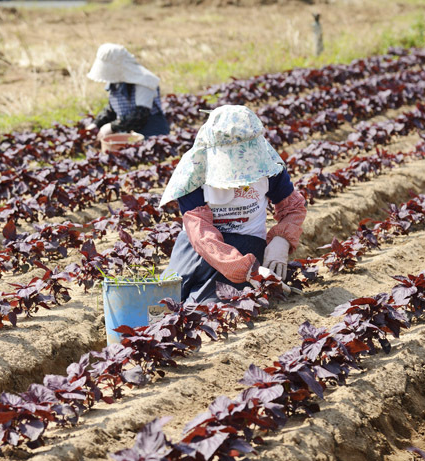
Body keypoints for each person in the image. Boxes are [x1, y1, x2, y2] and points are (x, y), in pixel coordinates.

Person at [160, 105, 307, 303]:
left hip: (248, 244)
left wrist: (281, 240)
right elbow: (200, 232)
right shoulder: (194, 173)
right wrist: (245, 269)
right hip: (198, 246)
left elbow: (293, 208)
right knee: (164, 300)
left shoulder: (269, 168)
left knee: (204, 306)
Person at [86, 43, 170, 139]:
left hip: (152, 133)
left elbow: (140, 115)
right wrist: (96, 124)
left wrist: (112, 126)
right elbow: (112, 110)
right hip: (129, 133)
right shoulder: (116, 82)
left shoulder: (144, 82)